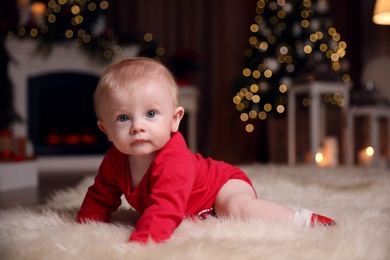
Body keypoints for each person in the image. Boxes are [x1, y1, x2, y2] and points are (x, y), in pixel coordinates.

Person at [77, 57, 336, 244]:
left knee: (237, 209)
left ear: (175, 120)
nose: (137, 127)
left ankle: (303, 219)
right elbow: (101, 195)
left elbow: (166, 208)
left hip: (222, 185)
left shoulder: (173, 159)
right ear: (106, 130)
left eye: (151, 113)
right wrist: (85, 228)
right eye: (123, 118)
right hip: (197, 204)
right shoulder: (115, 160)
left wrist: (142, 243)